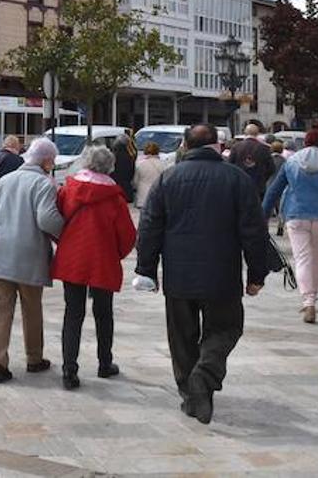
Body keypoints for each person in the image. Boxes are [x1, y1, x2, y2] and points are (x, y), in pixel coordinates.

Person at [135, 124, 268, 424]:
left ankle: (191, 392)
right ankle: (204, 377)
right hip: (222, 273)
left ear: (185, 146)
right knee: (226, 327)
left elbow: (149, 226)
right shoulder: (237, 179)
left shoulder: (169, 178)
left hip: (179, 275)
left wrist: (146, 270)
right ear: (218, 147)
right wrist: (257, 274)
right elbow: (254, 231)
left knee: (181, 336)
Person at [0, 136, 64, 383]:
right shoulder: (43, 184)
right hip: (28, 253)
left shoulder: (5, 180)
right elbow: (46, 219)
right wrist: (65, 232)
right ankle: (34, 357)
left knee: (0, 309)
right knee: (32, 307)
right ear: (47, 161)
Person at [51, 145, 137, 389]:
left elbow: (57, 217)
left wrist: (64, 243)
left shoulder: (68, 189)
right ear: (110, 165)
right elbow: (127, 235)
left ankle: (69, 368)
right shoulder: (115, 197)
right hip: (102, 258)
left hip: (74, 257)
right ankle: (104, 362)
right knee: (104, 313)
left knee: (73, 313)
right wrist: (115, 253)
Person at [262, 129, 318, 323]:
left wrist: (263, 215)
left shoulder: (292, 162)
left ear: (305, 143)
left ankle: (307, 301)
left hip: (296, 214)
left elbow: (274, 190)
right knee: (316, 259)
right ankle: (313, 297)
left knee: (302, 258)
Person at [229, 123, 277, 200]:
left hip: (240, 186)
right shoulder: (264, 148)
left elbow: (229, 167)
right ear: (257, 134)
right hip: (258, 187)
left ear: (245, 133)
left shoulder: (236, 147)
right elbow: (271, 168)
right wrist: (262, 178)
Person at [134, 141, 167, 209]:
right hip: (157, 197)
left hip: (142, 197)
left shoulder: (140, 164)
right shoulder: (163, 165)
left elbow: (135, 182)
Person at [110, 131, 137, 203]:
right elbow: (132, 170)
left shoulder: (114, 154)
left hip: (116, 185)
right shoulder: (130, 154)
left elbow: (111, 169)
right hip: (127, 186)